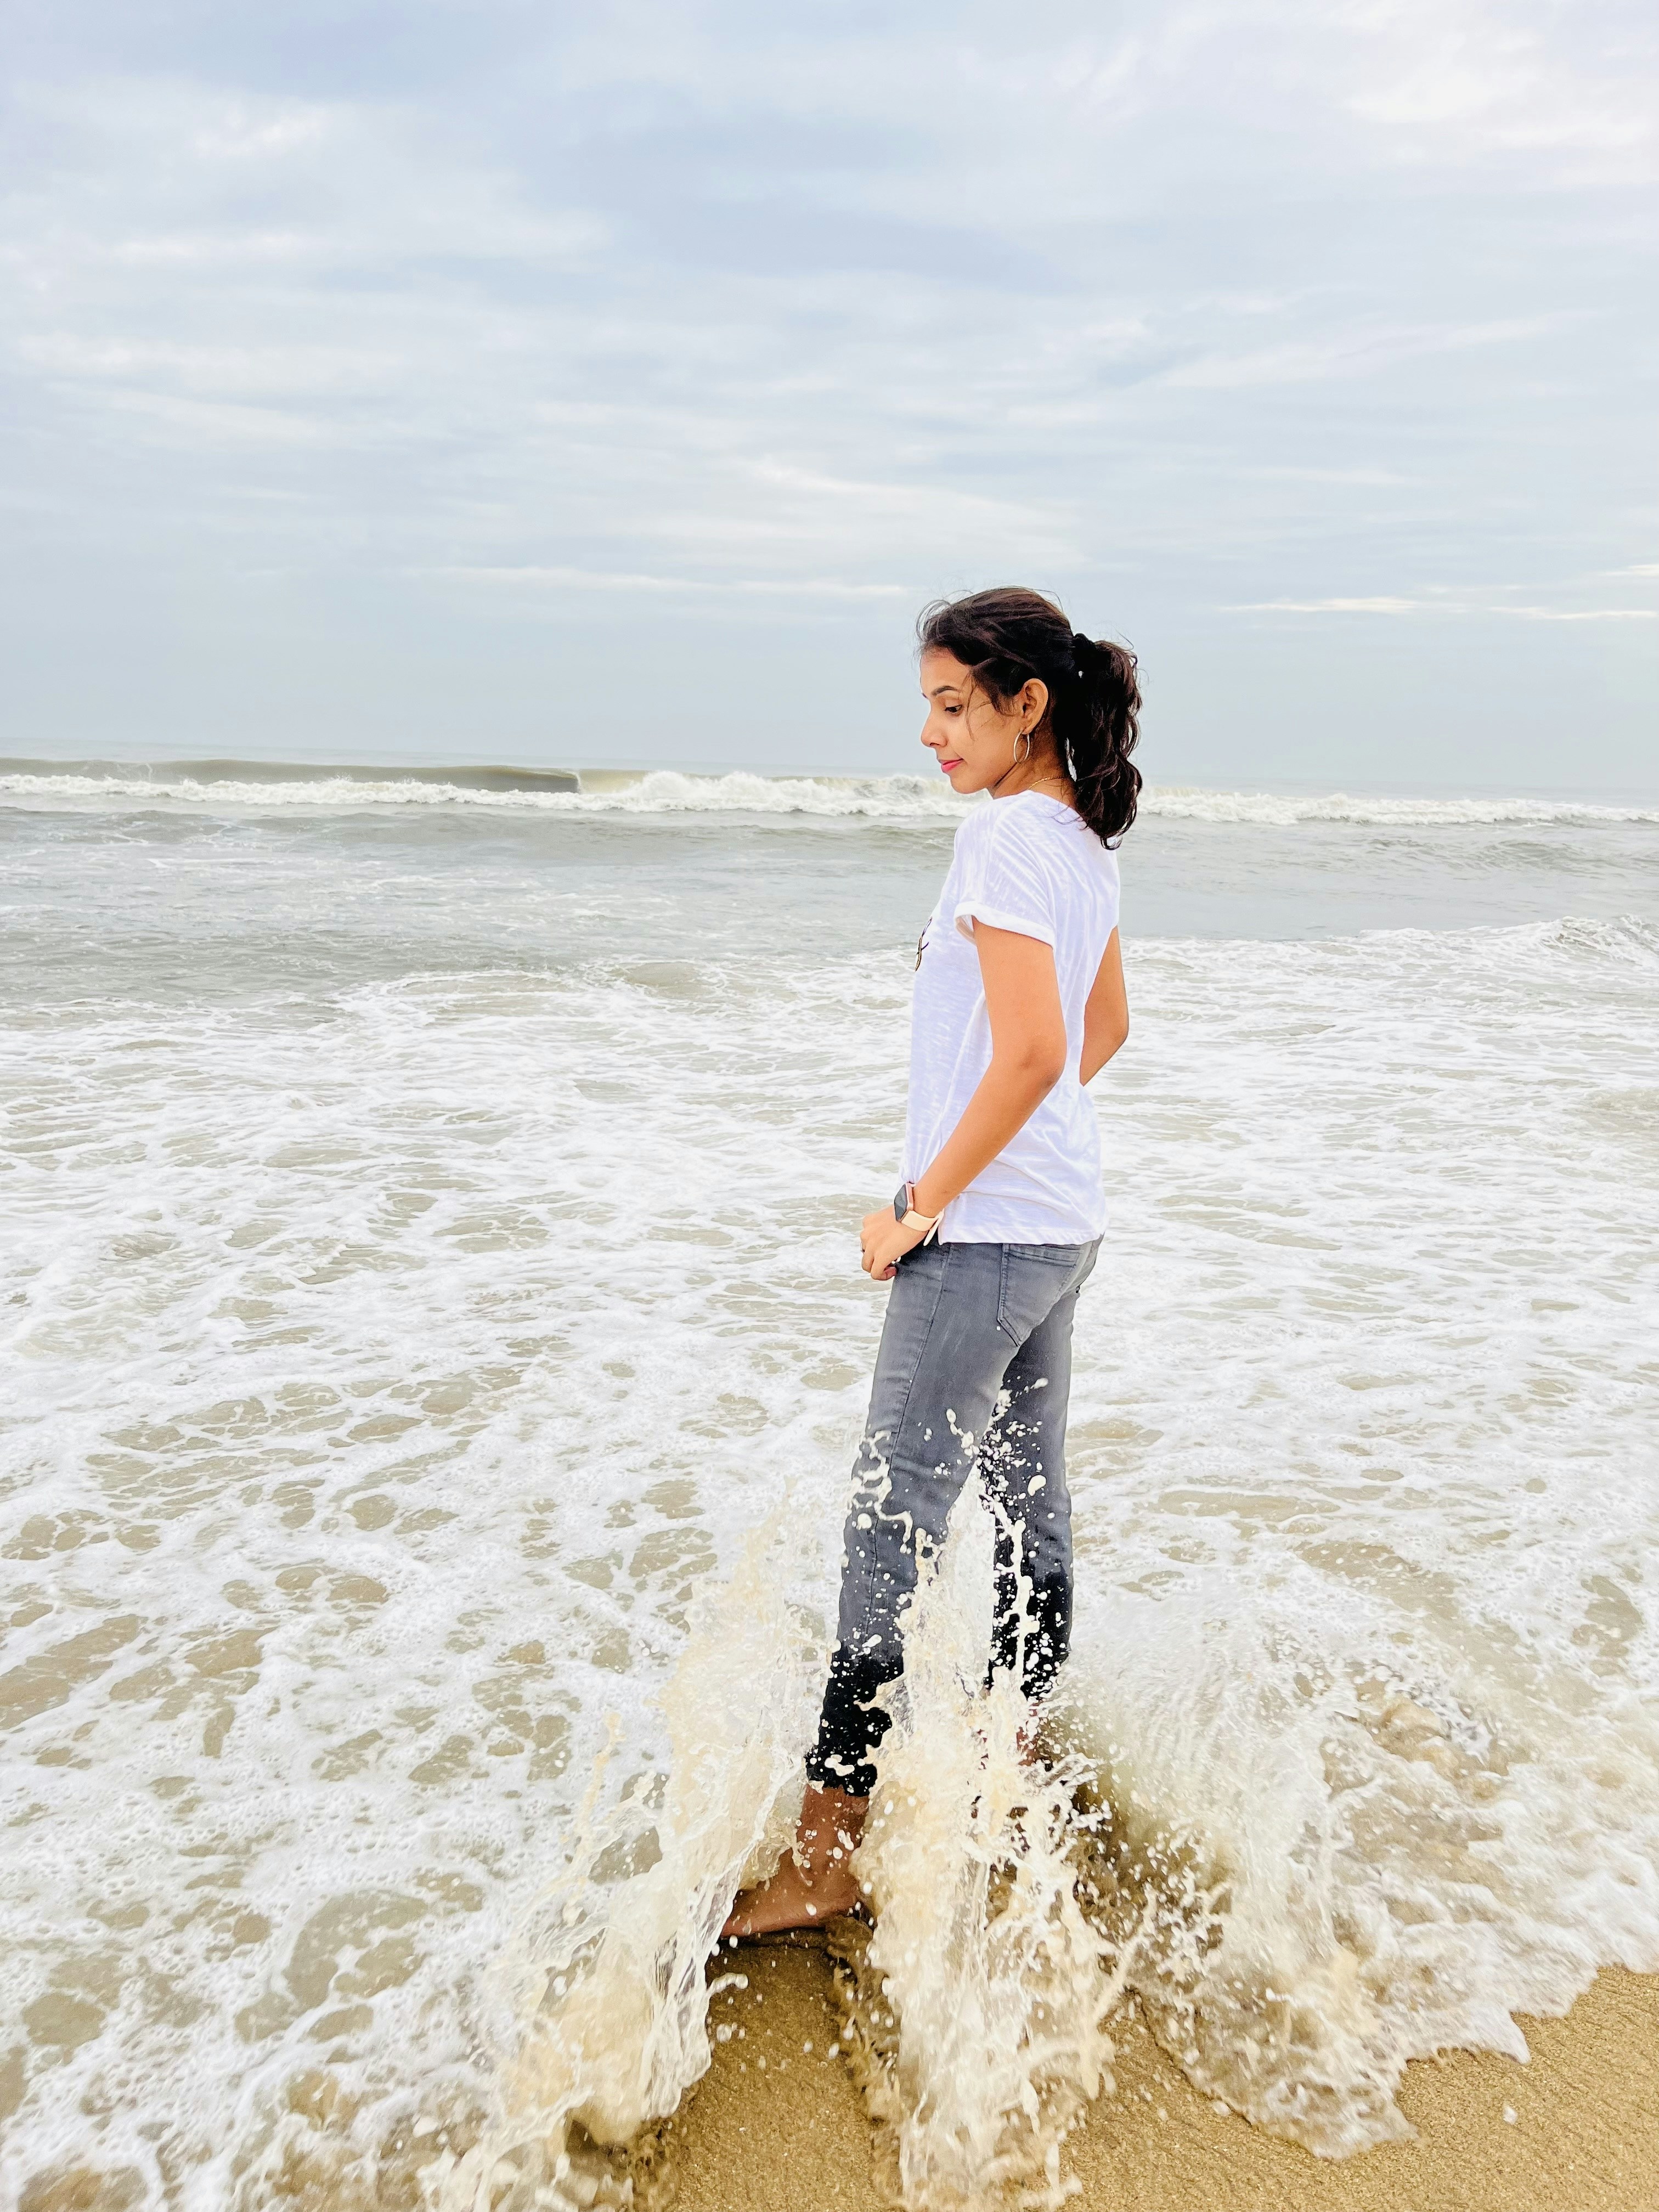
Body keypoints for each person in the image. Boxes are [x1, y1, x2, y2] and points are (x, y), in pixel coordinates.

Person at [725, 586, 1141, 1938]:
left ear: (1030, 703)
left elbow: (1035, 1054)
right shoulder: (1080, 841)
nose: (930, 731)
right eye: (928, 705)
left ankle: (825, 1853)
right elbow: (1100, 1037)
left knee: (887, 1528)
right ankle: (1019, 1784)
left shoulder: (1005, 840)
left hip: (981, 1240)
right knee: (1032, 1508)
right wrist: (1024, 1159)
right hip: (1061, 1228)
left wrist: (921, 1201)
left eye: (954, 704)